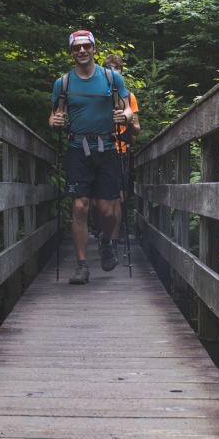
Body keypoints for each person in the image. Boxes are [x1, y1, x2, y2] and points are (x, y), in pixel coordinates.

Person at [49, 30, 134, 285]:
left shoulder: (111, 78)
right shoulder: (63, 83)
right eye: (77, 48)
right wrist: (56, 122)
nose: (82, 51)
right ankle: (82, 265)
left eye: (86, 46)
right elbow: (53, 118)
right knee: (79, 206)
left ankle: (106, 242)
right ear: (72, 51)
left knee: (107, 212)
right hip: (77, 149)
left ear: (94, 49)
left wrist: (125, 117)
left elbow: (128, 108)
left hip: (107, 149)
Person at [103, 53, 140, 221]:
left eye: (117, 68)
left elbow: (137, 129)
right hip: (101, 149)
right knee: (102, 199)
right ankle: (104, 232)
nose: (113, 71)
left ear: (122, 72)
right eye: (109, 67)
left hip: (121, 151)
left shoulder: (129, 96)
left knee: (121, 197)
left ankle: (114, 242)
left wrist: (128, 121)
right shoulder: (99, 94)